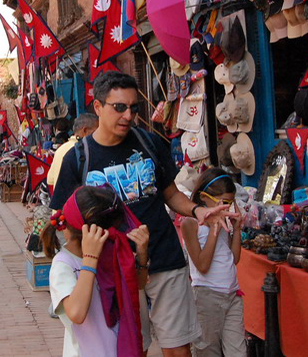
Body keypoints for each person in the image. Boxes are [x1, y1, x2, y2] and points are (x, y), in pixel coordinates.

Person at [50, 72, 232, 356]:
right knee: (133, 348)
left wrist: (198, 211)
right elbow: (65, 217)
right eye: (119, 107)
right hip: (116, 271)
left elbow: (170, 194)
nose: (128, 115)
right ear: (97, 107)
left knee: (178, 350)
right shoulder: (77, 158)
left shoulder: (149, 143)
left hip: (164, 257)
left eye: (133, 108)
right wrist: (82, 263)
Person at [43, 186, 150, 357]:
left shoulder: (111, 250)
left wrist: (142, 255)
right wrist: (90, 259)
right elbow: (76, 314)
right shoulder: (64, 264)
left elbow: (138, 284)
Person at [181, 169, 245, 357]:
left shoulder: (224, 221)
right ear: (204, 198)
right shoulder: (190, 224)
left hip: (232, 294)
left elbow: (234, 259)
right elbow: (202, 265)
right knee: (208, 351)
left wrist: (237, 229)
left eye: (230, 203)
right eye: (224, 203)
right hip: (207, 296)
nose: (227, 208)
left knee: (238, 352)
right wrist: (214, 229)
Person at [47, 114, 99, 192]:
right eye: (97, 131)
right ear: (85, 131)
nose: (99, 135)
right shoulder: (86, 151)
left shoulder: (60, 149)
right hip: (77, 201)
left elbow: (50, 180)